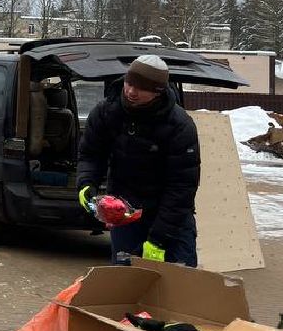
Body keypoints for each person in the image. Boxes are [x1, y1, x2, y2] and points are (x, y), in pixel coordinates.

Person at [75, 54, 201, 266]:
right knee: (125, 285)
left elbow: (182, 187)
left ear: (158, 92)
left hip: (170, 219)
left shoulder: (179, 125)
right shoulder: (106, 112)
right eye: (129, 83)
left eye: (142, 88)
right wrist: (86, 184)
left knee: (178, 289)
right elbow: (91, 154)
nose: (131, 91)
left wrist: (159, 240)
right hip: (126, 215)